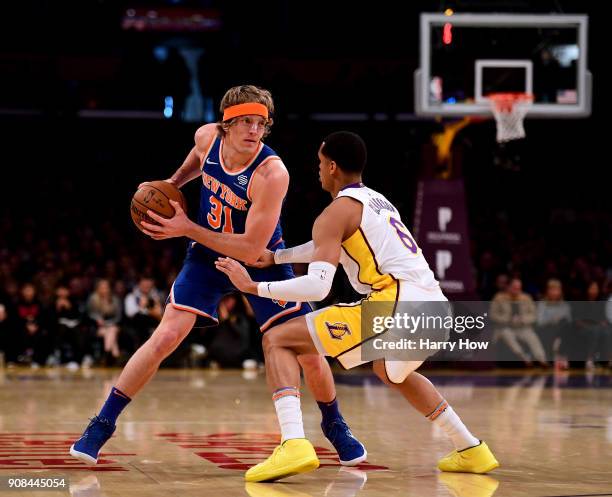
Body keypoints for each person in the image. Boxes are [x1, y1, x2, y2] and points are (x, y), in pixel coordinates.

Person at [70, 86, 365, 467]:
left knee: (304, 348)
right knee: (166, 336)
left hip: (259, 259)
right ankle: (102, 423)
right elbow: (197, 159)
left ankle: (334, 423)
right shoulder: (207, 137)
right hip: (208, 255)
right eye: (245, 121)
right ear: (226, 123)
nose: (254, 130)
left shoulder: (272, 174)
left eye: (261, 123)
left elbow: (248, 248)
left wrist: (186, 227)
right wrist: (174, 184)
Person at [215, 131, 499, 482]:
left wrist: (252, 286)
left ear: (332, 167)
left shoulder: (335, 212)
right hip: (435, 308)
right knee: (392, 371)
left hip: (398, 304)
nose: (317, 171)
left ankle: (293, 442)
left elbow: (319, 285)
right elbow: (324, 244)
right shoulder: (377, 202)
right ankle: (471, 448)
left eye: (320, 164)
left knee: (278, 339)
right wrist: (278, 256)